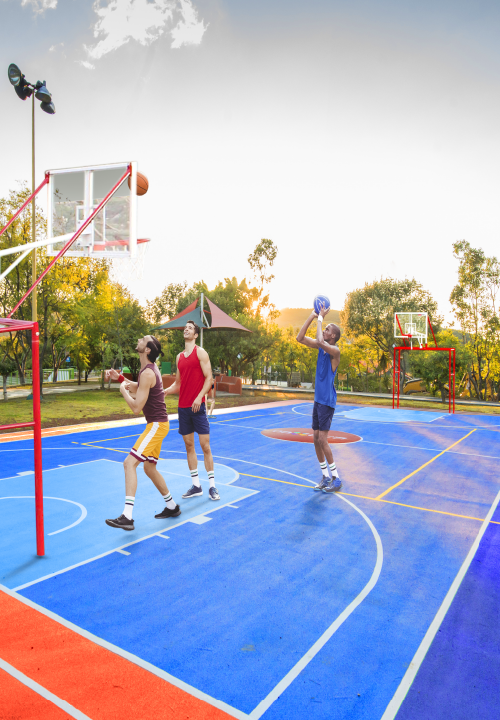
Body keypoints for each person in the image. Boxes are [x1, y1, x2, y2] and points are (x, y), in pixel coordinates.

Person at [104, 335, 181, 531]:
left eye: (144, 339)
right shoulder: (148, 370)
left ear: (147, 350)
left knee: (129, 463)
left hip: (156, 425)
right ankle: (172, 506)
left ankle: (127, 516)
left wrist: (123, 391)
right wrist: (120, 378)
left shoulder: (147, 372)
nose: (139, 338)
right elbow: (140, 387)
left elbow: (136, 407)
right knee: (149, 468)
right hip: (159, 424)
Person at [164, 320, 220, 501]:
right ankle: (196, 486)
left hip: (198, 406)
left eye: (190, 328)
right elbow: (178, 384)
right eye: (185, 328)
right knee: (189, 446)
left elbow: (209, 378)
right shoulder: (179, 357)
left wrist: (199, 397)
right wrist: (166, 391)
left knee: (205, 446)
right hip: (183, 408)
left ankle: (212, 486)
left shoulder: (200, 352)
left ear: (195, 335)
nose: (186, 330)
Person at [296, 303, 342, 493]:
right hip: (318, 400)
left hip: (327, 401)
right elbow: (299, 338)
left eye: (328, 329)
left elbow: (321, 342)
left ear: (333, 336)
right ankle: (325, 476)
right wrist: (312, 315)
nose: (324, 330)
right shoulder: (320, 346)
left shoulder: (335, 351)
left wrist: (321, 318)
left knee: (323, 439)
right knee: (315, 438)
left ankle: (336, 478)